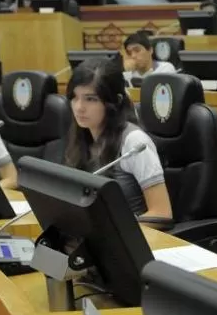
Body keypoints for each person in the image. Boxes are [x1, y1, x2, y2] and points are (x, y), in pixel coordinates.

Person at [64, 58, 172, 219]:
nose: (79, 107)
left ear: (115, 101)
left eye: (90, 99)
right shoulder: (82, 136)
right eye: (74, 97)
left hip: (134, 238)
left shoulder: (135, 142)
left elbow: (162, 214)